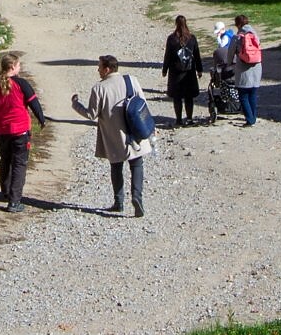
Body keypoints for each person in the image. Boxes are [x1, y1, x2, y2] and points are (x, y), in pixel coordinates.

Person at [72, 53, 152, 217]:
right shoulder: (131, 80)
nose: (98, 69)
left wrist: (76, 104)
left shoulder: (99, 88)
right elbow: (142, 103)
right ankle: (137, 197)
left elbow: (91, 114)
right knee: (137, 164)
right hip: (134, 130)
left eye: (100, 66)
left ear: (107, 69)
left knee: (116, 166)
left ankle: (119, 202)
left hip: (114, 135)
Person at [0, 53, 42, 212]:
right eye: (19, 65)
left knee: (5, 160)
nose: (20, 68)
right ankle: (14, 202)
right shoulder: (21, 84)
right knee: (19, 164)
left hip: (1, 130)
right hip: (20, 131)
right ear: (13, 67)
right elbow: (34, 103)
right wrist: (41, 120)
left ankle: (6, 192)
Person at [161, 16, 202, 125]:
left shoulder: (172, 39)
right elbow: (197, 55)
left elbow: (168, 56)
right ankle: (189, 118)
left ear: (176, 24)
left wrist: (164, 69)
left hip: (175, 71)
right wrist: (199, 69)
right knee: (189, 97)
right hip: (189, 72)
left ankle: (178, 119)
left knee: (177, 97)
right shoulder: (192, 38)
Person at [232, 14, 265, 127]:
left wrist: (229, 63)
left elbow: (230, 54)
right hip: (256, 67)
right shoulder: (255, 35)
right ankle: (253, 117)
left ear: (238, 25)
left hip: (243, 69)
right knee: (252, 94)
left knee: (243, 95)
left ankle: (250, 119)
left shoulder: (237, 37)